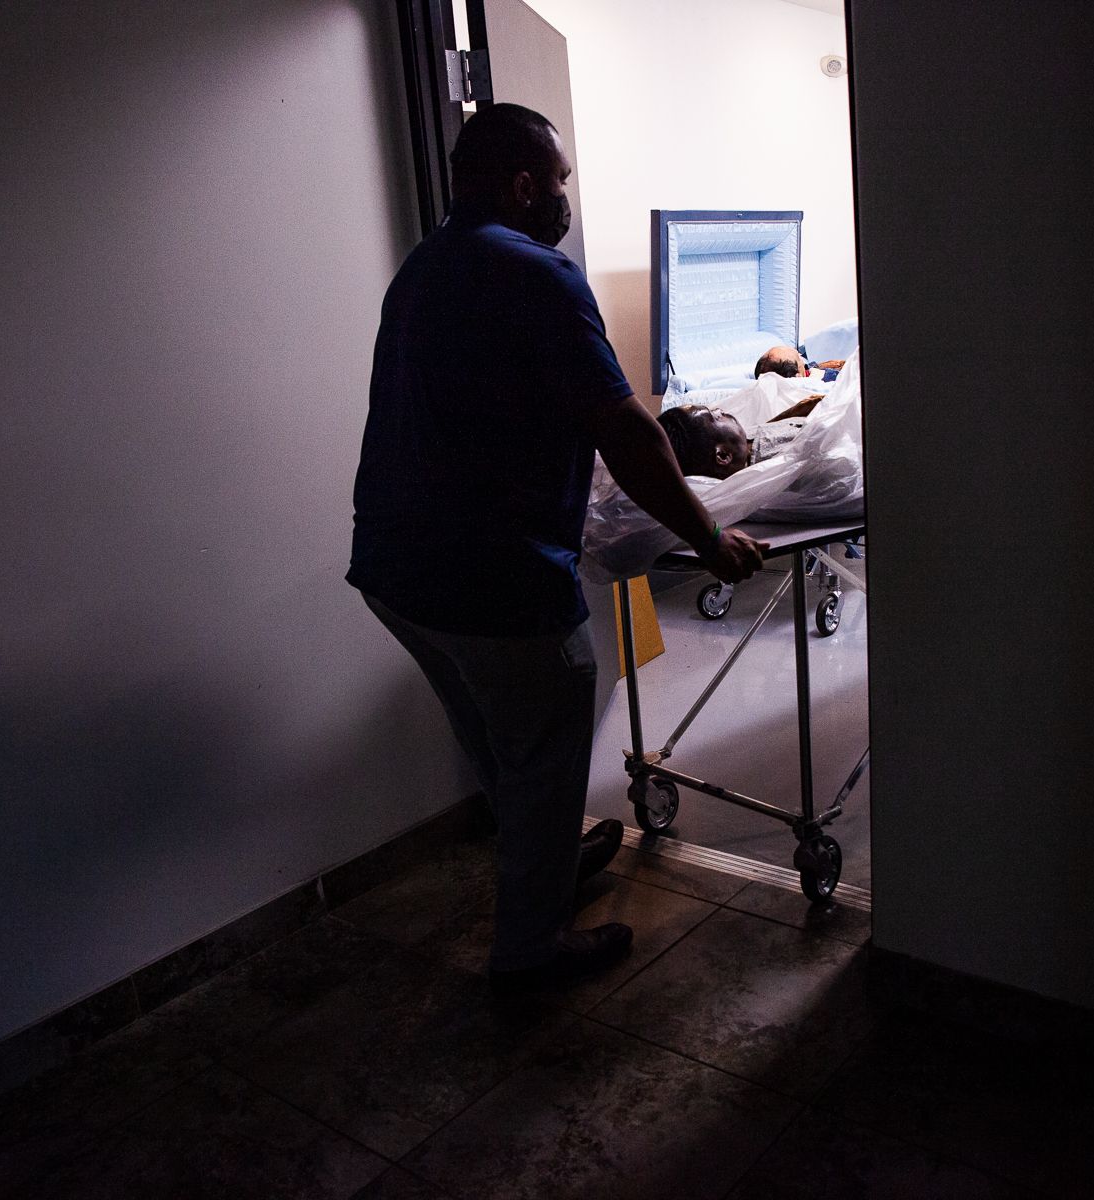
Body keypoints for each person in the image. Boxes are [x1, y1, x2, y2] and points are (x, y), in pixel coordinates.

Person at [347, 104, 766, 992]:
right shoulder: (539, 273)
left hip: (393, 572)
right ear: (526, 184)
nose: (569, 197)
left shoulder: (421, 269)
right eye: (563, 180)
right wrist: (709, 534)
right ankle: (528, 956)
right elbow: (627, 430)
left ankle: (545, 869)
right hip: (490, 581)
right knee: (545, 745)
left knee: (503, 749)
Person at [656, 395, 827, 480]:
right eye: (715, 417)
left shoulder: (738, 446)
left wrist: (792, 412)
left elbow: (761, 433)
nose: (719, 410)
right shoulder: (775, 466)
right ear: (723, 456)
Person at [753, 344, 845, 382]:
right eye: (798, 357)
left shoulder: (805, 369)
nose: (800, 357)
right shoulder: (829, 380)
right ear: (798, 376)